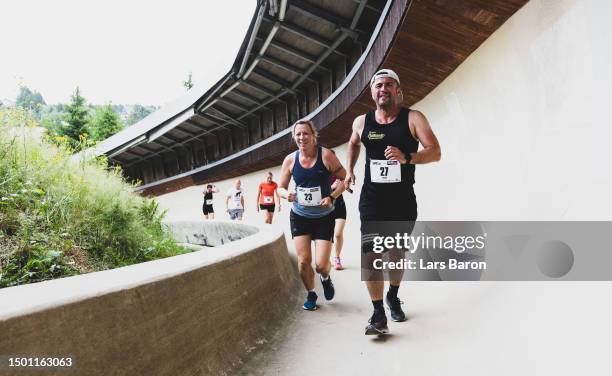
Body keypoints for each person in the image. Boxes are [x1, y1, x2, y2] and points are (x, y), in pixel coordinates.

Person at [345, 68, 441, 335]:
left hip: (402, 200)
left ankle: (393, 295)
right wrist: (350, 170)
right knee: (371, 254)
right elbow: (353, 143)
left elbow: (435, 151)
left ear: (398, 91)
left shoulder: (413, 118)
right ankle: (377, 314)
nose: (383, 89)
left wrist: (407, 157)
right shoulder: (362, 122)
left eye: (389, 85)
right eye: (378, 85)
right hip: (372, 200)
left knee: (396, 254)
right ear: (372, 92)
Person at [278, 120, 346, 311]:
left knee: (321, 265)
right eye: (298, 134)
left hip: (324, 217)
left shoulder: (326, 155)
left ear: (313, 135)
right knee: (303, 261)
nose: (302, 137)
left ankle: (325, 277)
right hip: (300, 215)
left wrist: (332, 196)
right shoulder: (290, 160)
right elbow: (280, 188)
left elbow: (344, 178)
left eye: (305, 133)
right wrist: (286, 195)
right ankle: (311, 294)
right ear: (294, 137)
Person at [329, 150, 348, 270]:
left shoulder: (340, 172)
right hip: (325, 208)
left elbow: (345, 186)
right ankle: (325, 258)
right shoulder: (320, 173)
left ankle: (337, 257)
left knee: (338, 233)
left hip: (340, 205)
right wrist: (331, 187)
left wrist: (343, 185)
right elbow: (318, 192)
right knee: (327, 236)